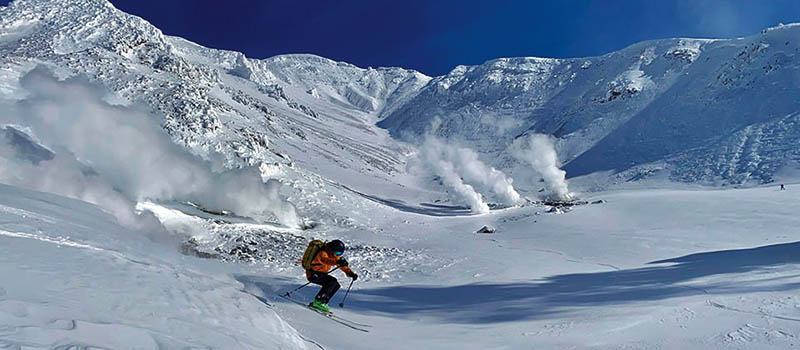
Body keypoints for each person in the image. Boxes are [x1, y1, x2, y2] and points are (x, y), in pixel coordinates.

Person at [306, 239, 358, 312]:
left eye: (339, 253)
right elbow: (325, 260)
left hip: (321, 274)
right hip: (313, 274)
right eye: (337, 252)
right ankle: (318, 301)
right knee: (332, 281)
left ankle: (322, 302)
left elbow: (341, 265)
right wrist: (337, 261)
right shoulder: (322, 252)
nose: (338, 255)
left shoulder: (333, 254)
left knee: (336, 285)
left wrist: (351, 273)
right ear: (332, 249)